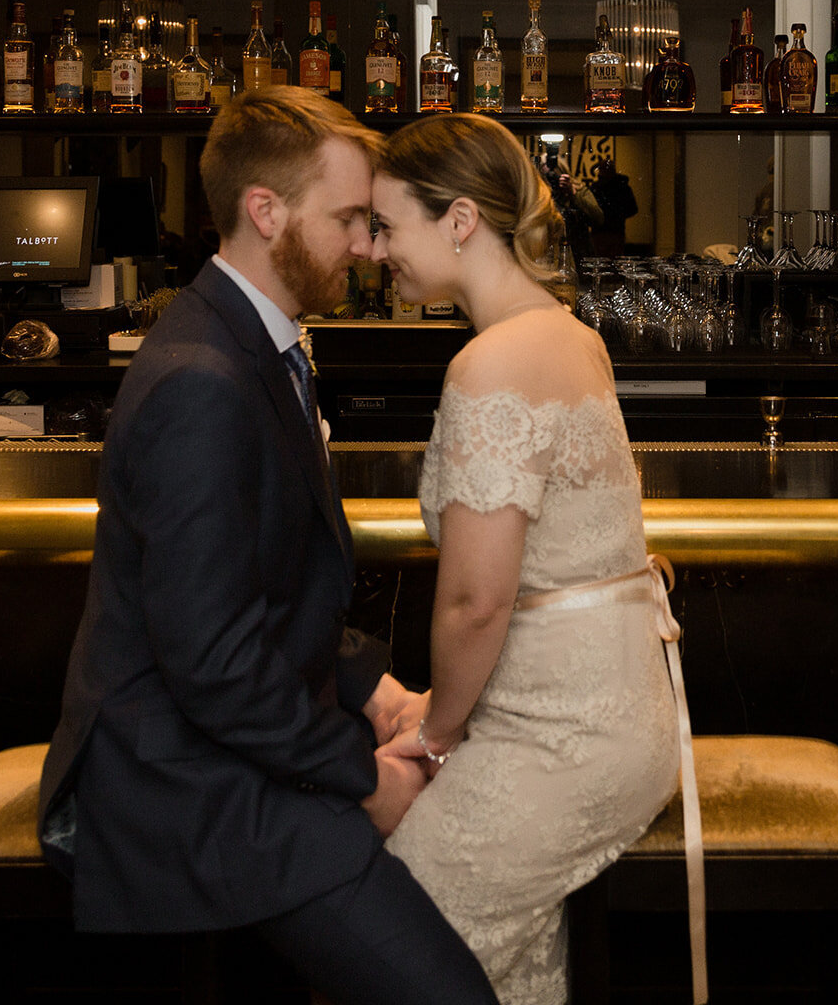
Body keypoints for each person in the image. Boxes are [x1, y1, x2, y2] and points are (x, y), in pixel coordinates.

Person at [38, 88, 498, 1005]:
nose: (367, 247)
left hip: (237, 750)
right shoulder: (202, 380)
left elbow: (270, 593)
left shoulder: (252, 343)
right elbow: (209, 661)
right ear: (265, 211)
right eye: (347, 220)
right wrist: (358, 779)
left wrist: (378, 692)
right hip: (181, 787)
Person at [369, 114, 684, 1005]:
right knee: (504, 964)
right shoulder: (567, 332)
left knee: (392, 939)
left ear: (460, 220)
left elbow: (476, 599)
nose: (374, 248)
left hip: (567, 738)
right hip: (605, 712)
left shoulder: (490, 363)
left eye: (389, 224)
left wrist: (434, 738)